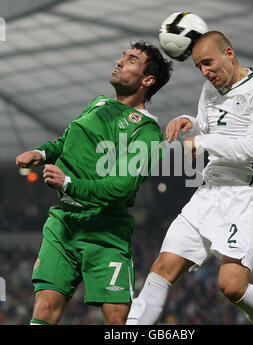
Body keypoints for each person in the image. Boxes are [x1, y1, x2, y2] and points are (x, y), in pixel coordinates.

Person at [126, 31, 253, 325]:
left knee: (232, 287)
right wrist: (193, 124)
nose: (205, 72)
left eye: (209, 63)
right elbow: (210, 129)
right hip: (209, 192)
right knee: (162, 268)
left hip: (247, 195)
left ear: (229, 54)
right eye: (199, 66)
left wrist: (201, 143)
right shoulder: (209, 90)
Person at [16, 41, 173, 325]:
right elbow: (65, 141)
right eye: (122, 56)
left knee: (116, 320)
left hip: (105, 232)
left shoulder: (146, 132)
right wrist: (41, 153)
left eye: (132, 59)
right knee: (44, 308)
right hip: (63, 223)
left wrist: (68, 184)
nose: (120, 61)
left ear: (147, 80)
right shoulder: (99, 103)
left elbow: (121, 187)